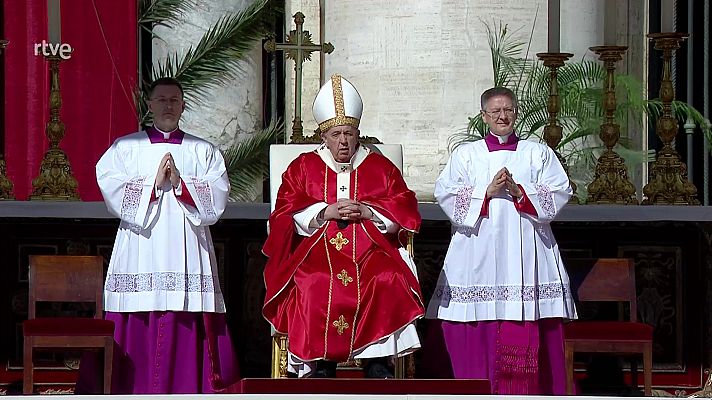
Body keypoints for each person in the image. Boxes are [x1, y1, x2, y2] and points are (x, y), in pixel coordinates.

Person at [262, 74, 424, 378]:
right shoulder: (303, 167)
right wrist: (324, 212)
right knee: (314, 281)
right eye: (336, 134)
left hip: (371, 251)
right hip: (317, 251)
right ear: (324, 135)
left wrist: (368, 211)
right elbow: (283, 210)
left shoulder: (380, 167)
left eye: (349, 133)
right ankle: (322, 365)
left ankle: (378, 363)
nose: (344, 141)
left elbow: (405, 205)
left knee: (386, 278)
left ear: (358, 132)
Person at [424, 87, 577, 394]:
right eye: (495, 112)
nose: (502, 117)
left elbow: (560, 190)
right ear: (484, 117)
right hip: (478, 248)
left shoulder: (537, 152)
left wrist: (521, 193)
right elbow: (446, 192)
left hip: (528, 246)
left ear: (516, 112)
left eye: (507, 110)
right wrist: (487, 191)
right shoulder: (467, 154)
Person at [93, 77, 239, 393]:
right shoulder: (126, 148)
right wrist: (153, 184)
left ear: (184, 105)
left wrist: (182, 185)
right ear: (149, 105)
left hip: (187, 243)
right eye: (161, 100)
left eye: (174, 100)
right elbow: (109, 185)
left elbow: (218, 195)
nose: (168, 106)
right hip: (141, 246)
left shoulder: (203, 150)